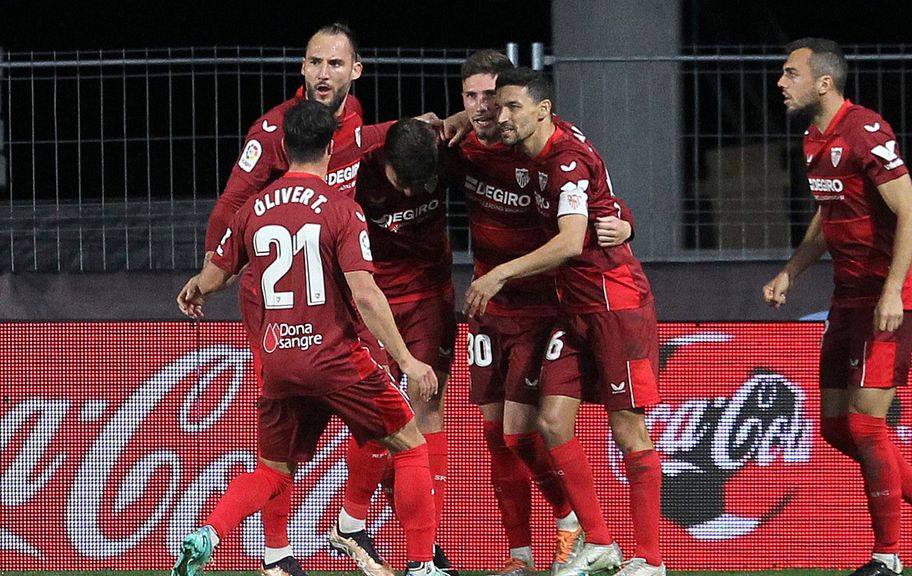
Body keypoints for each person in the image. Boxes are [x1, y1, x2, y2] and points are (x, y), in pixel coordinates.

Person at [173, 100, 444, 576]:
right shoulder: (342, 210)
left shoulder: (253, 209)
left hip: (279, 365)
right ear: (329, 147)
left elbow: (216, 274)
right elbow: (365, 293)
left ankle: (209, 531)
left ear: (282, 146)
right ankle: (423, 565)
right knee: (410, 444)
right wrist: (407, 358)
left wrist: (197, 286)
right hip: (336, 360)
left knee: (273, 472)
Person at [762, 38, 912, 576]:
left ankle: (887, 557)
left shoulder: (867, 130)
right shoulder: (813, 139)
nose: (781, 83)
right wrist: (790, 270)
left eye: (790, 74)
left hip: (887, 295)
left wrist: (893, 290)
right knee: (835, 427)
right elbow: (827, 218)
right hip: (847, 296)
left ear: (823, 83)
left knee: (866, 425)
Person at [464, 67, 664, 576]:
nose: (501, 116)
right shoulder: (540, 143)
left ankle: (650, 560)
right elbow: (605, 197)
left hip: (611, 302)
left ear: (542, 110)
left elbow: (573, 240)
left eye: (512, 108)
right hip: (569, 309)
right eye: (497, 105)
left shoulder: (564, 160)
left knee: (627, 427)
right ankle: (597, 541)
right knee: (547, 423)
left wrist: (498, 275)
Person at [336, 117, 458, 574]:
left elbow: (475, 126)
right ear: (384, 158)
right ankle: (355, 522)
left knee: (427, 410)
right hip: (374, 299)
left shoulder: (443, 145)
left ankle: (425, 555)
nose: (409, 194)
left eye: (420, 185)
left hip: (430, 293)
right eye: (400, 183)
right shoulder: (356, 166)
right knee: (382, 416)